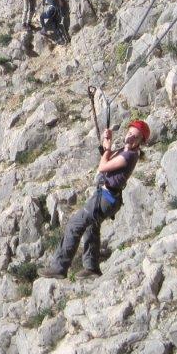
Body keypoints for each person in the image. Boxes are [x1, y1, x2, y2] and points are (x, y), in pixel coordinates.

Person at [39, 119, 150, 279]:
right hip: (108, 197)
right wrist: (107, 144)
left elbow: (103, 167)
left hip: (105, 198)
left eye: (136, 137)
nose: (131, 137)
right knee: (91, 226)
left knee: (74, 224)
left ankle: (59, 267)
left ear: (140, 142)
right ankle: (92, 268)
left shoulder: (130, 155)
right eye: (130, 133)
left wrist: (107, 150)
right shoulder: (124, 151)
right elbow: (107, 158)